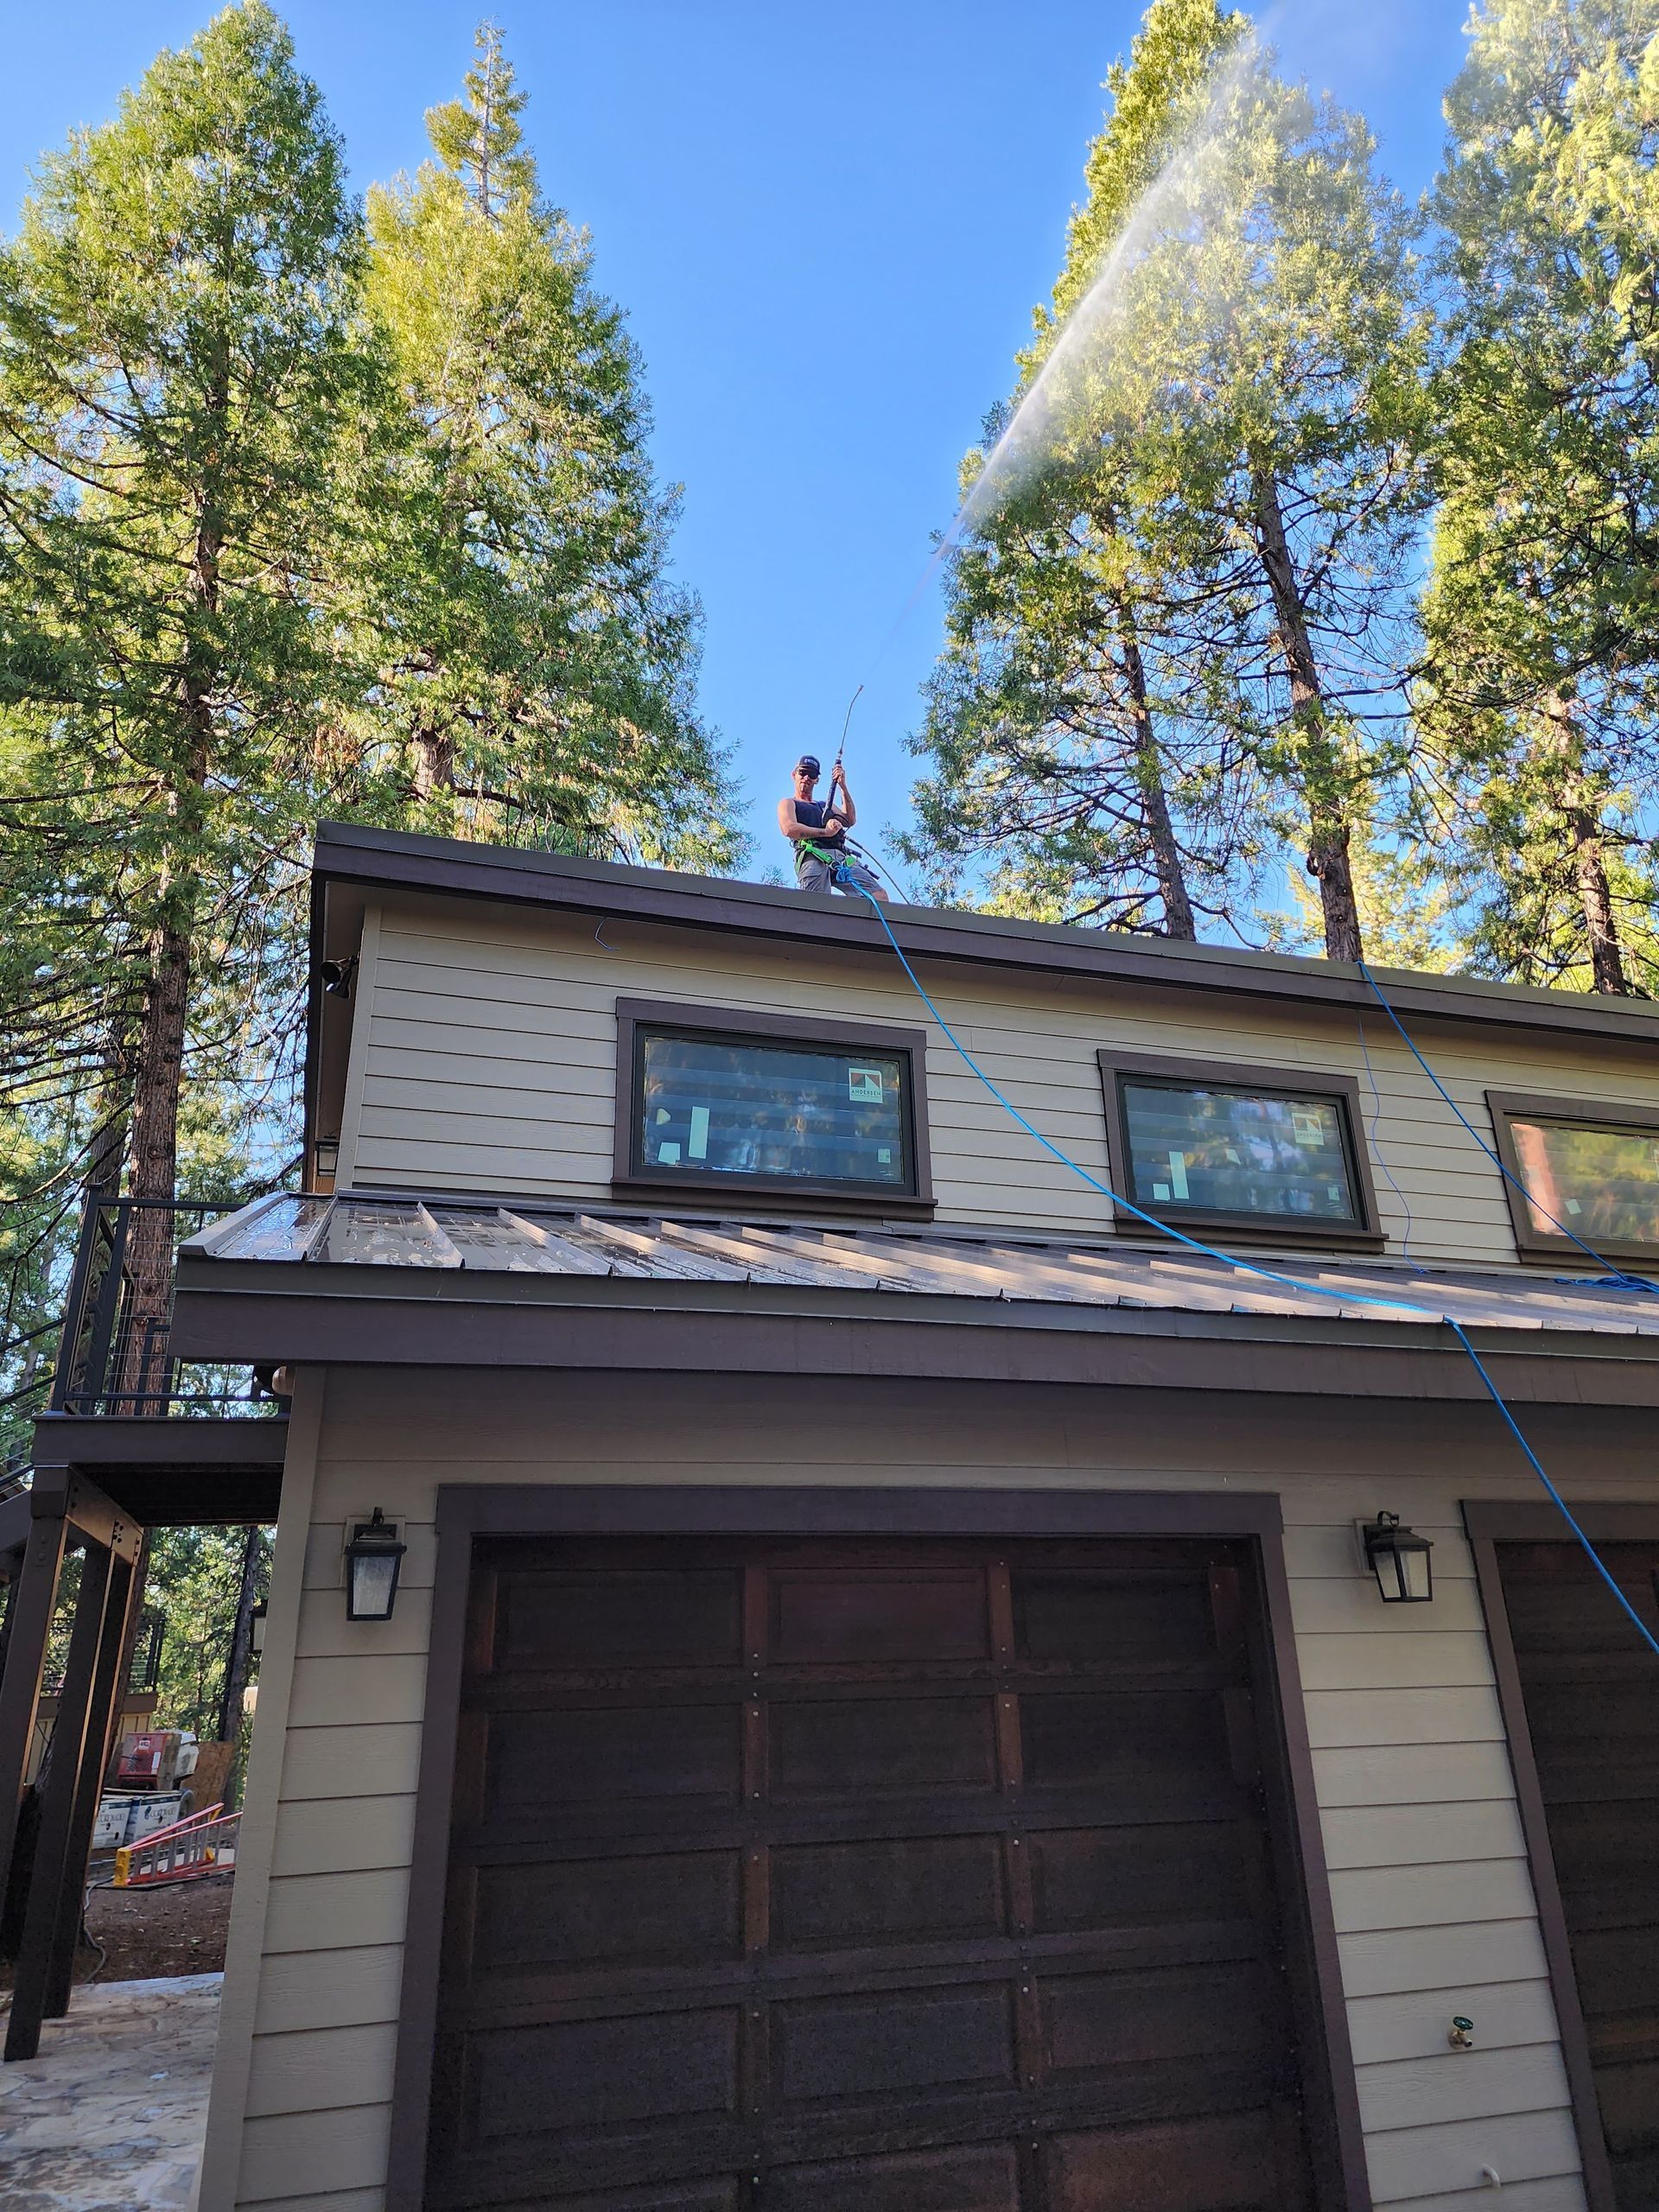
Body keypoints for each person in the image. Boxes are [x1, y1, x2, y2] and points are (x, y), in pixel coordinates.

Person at [779, 755, 888, 899]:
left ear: (817, 780)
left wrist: (842, 786)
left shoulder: (825, 806)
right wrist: (826, 832)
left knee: (879, 896)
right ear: (794, 774)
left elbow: (849, 819)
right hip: (812, 855)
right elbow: (789, 829)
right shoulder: (789, 803)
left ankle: (849, 920)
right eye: (803, 773)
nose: (806, 778)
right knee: (818, 905)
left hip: (840, 856)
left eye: (812, 775)